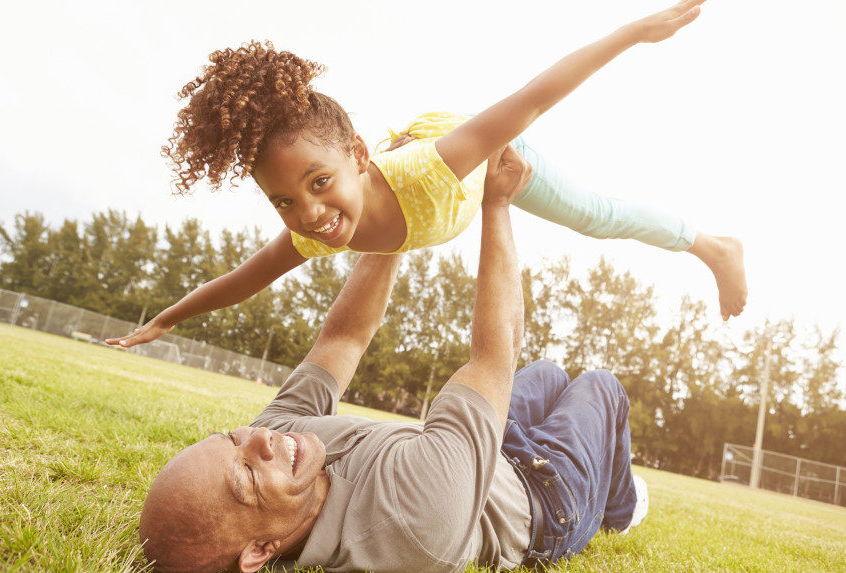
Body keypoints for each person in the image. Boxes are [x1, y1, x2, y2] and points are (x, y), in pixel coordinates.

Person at [107, 0, 747, 352]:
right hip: (405, 165)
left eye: (318, 183)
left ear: (356, 157)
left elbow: (532, 97)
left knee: (596, 218)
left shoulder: (435, 166)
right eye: (283, 202)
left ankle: (713, 245)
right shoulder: (311, 231)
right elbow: (240, 281)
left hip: (473, 148)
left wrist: (633, 32)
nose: (306, 213)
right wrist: (164, 319)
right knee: (367, 233)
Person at [139, 144, 648, 572]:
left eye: (232, 438)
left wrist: (392, 218)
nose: (259, 441)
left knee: (551, 373)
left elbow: (344, 338)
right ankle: (621, 509)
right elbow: (495, 356)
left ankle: (595, 468)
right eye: (247, 475)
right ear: (260, 550)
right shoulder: (409, 520)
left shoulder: (273, 437)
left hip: (491, 452)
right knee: (599, 386)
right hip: (542, 495)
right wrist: (497, 205)